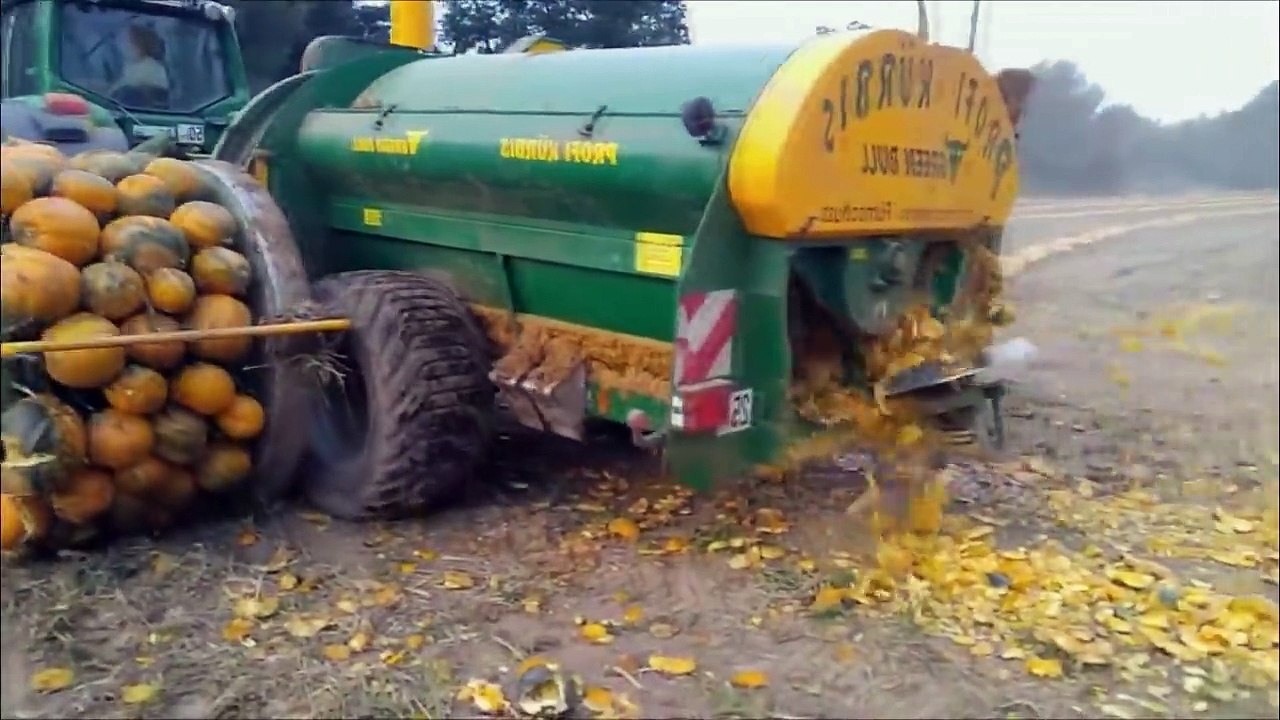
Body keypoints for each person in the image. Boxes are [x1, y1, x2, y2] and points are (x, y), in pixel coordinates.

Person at [109, 23, 169, 106]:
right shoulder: (129, 67)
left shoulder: (152, 69)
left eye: (128, 41)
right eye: (121, 41)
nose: (122, 46)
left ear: (140, 44)